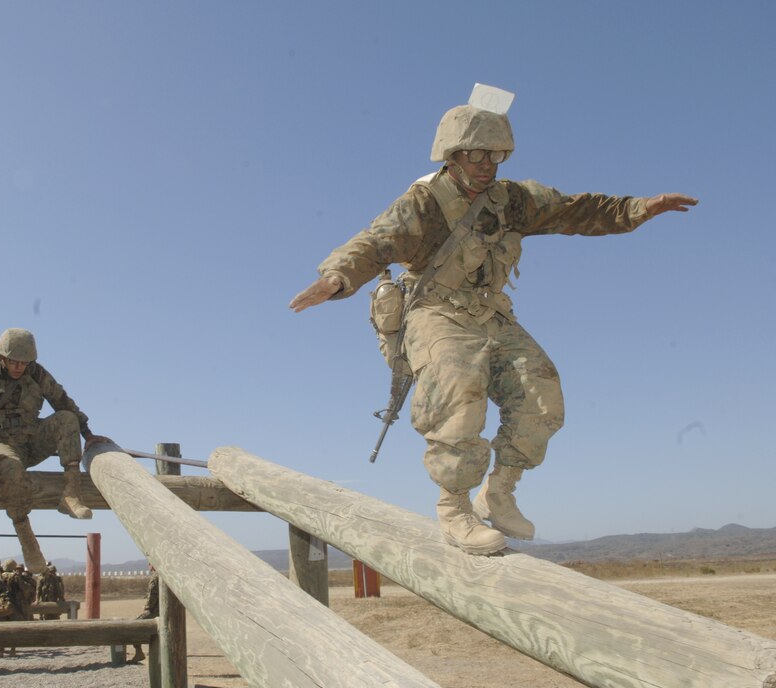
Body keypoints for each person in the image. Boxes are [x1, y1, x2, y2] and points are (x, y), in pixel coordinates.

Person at [290, 97, 697, 556]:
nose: (487, 165)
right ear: (452, 156)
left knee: (542, 395)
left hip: (490, 312)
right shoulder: (423, 203)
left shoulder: (512, 201)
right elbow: (374, 242)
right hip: (435, 311)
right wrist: (337, 277)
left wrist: (640, 208)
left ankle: (499, 493)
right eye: (476, 155)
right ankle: (454, 508)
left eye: (496, 155)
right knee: (457, 394)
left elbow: (576, 209)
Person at [0, 328, 109, 566]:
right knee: (14, 471)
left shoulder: (37, 373)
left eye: (24, 363)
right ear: (3, 357)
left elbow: (62, 401)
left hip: (31, 440)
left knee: (66, 419)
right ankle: (28, 540)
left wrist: (88, 434)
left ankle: (71, 495)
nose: (19, 367)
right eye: (14, 362)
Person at [130, 564, 159, 663]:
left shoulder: (156, 576)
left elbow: (153, 594)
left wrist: (147, 608)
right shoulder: (163, 574)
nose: (148, 566)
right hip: (161, 609)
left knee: (134, 626)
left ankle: (139, 652)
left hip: (155, 611)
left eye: (149, 564)